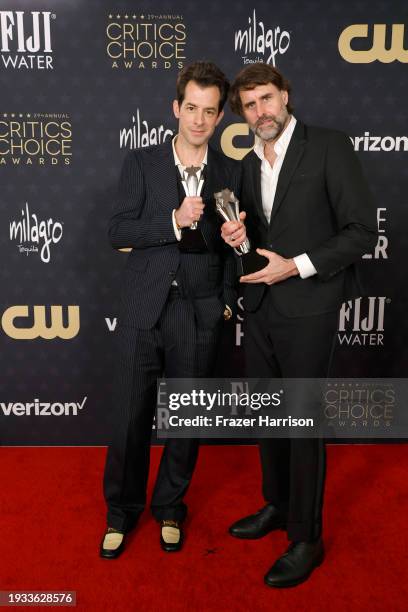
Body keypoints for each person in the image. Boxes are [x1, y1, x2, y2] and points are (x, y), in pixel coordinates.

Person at [221, 62, 377, 587]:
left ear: (284, 95)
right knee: (269, 416)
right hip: (262, 309)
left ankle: (306, 536)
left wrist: (297, 265)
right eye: (249, 105)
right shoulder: (245, 164)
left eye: (266, 98)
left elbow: (359, 231)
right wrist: (237, 237)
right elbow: (253, 240)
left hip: (311, 307)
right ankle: (278, 506)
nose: (260, 112)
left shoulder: (330, 146)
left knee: (302, 423)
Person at [100, 61, 240, 558]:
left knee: (188, 420)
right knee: (130, 417)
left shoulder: (230, 172)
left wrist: (226, 302)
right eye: (191, 109)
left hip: (198, 312)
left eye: (209, 112)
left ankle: (170, 507)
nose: (199, 120)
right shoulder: (141, 163)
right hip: (143, 308)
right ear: (175, 108)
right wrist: (172, 220)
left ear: (220, 117)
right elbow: (118, 232)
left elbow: (233, 248)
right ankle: (121, 512)